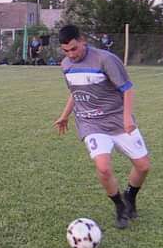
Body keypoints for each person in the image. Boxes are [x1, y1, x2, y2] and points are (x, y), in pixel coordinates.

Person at [53, 24, 151, 230]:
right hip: (91, 122)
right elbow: (76, 92)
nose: (71, 54)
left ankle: (130, 196)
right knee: (103, 167)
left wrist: (127, 118)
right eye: (66, 50)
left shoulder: (105, 60)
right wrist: (64, 116)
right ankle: (120, 207)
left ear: (83, 41)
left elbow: (128, 89)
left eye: (74, 48)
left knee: (143, 166)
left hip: (117, 120)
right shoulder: (66, 65)